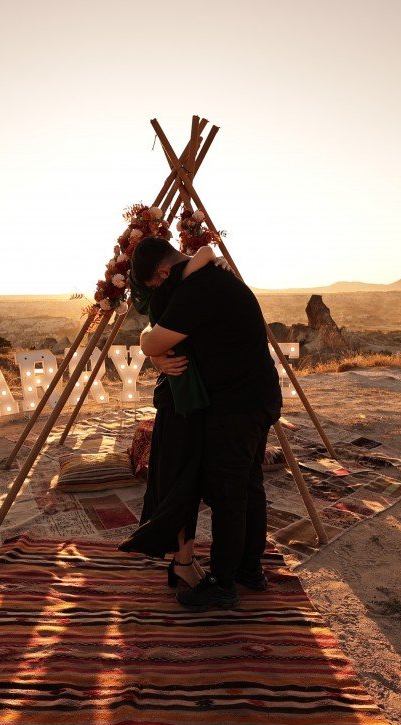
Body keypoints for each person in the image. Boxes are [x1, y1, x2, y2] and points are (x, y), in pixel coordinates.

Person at [135, 238, 282, 612]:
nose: (159, 292)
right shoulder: (212, 277)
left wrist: (151, 348)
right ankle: (250, 569)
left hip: (237, 405)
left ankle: (223, 583)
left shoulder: (198, 288)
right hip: (259, 395)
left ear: (164, 272)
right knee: (248, 483)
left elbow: (152, 341)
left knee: (228, 492)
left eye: (155, 284)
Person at [117, 240, 226, 589]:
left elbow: (204, 252)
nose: (155, 287)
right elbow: (205, 252)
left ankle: (183, 559)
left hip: (186, 399)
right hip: (179, 402)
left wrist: (152, 352)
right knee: (178, 483)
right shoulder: (172, 290)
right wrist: (153, 354)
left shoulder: (176, 287)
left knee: (183, 483)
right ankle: (182, 561)